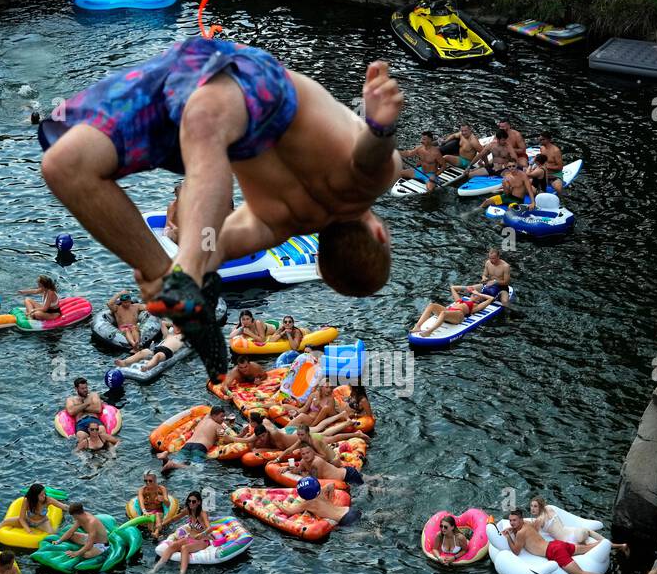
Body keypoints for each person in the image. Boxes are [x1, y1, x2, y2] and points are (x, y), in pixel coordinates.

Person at [38, 39, 407, 384]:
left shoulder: (361, 189)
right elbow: (213, 243)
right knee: (65, 165)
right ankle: (175, 278)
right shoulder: (276, 222)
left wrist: (380, 126)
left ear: (381, 232)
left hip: (221, 94)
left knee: (66, 166)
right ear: (323, 262)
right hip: (199, 93)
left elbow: (371, 158)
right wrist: (194, 254)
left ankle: (173, 277)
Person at [502, 509, 619, 574]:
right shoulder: (526, 524)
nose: (512, 523)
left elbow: (516, 551)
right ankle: (620, 546)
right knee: (588, 547)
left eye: (514, 520)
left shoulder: (521, 533)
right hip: (557, 544)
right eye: (510, 521)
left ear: (521, 519)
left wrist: (508, 537)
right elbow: (522, 528)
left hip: (554, 551)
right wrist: (512, 529)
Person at [159, 405, 243, 471]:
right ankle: (173, 465)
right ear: (214, 415)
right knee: (196, 469)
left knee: (178, 460)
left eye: (224, 417)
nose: (223, 419)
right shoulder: (218, 426)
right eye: (221, 416)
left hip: (187, 445)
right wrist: (242, 434)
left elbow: (209, 412)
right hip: (200, 447)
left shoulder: (204, 420)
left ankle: (166, 459)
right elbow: (228, 440)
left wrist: (224, 417)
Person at [151, 491, 210, 574]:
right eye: (189, 501)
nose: (191, 503)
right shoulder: (188, 510)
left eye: (193, 501)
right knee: (173, 545)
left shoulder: (202, 513)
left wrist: (201, 534)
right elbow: (175, 518)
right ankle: (155, 569)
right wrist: (162, 524)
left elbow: (210, 528)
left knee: (184, 548)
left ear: (199, 502)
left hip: (202, 540)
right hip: (191, 538)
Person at [411, 284, 496, 337]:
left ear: (478, 300)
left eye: (477, 296)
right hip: (450, 312)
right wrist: (468, 288)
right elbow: (453, 288)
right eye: (474, 294)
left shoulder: (475, 306)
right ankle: (418, 326)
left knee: (443, 313)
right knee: (431, 305)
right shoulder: (460, 300)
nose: (475, 295)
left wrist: (478, 293)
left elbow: (491, 299)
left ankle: (429, 332)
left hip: (458, 316)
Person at [271, 481, 362, 528]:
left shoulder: (308, 503)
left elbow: (288, 511)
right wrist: (329, 500)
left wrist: (277, 503)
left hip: (345, 519)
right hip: (349, 510)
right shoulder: (320, 492)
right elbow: (331, 485)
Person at [0, 483, 67, 539]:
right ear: (35, 496)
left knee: (52, 534)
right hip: (28, 520)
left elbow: (64, 507)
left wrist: (74, 509)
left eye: (44, 493)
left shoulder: (48, 500)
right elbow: (21, 518)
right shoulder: (27, 501)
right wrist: (28, 530)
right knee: (5, 522)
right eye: (41, 495)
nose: (44, 496)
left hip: (42, 522)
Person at [117, 318, 185, 373]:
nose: (178, 328)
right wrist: (173, 324)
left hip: (167, 351)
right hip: (157, 348)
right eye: (176, 326)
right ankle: (125, 362)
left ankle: (147, 367)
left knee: (157, 356)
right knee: (142, 352)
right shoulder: (169, 335)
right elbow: (162, 323)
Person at [132, 471, 172, 538]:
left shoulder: (161, 489)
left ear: (155, 480)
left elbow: (168, 505)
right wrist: (144, 511)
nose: (148, 482)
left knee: (157, 515)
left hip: (159, 512)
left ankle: (155, 533)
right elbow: (140, 502)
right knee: (152, 518)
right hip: (147, 513)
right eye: (145, 481)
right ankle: (155, 533)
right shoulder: (142, 490)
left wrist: (163, 499)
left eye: (150, 481)